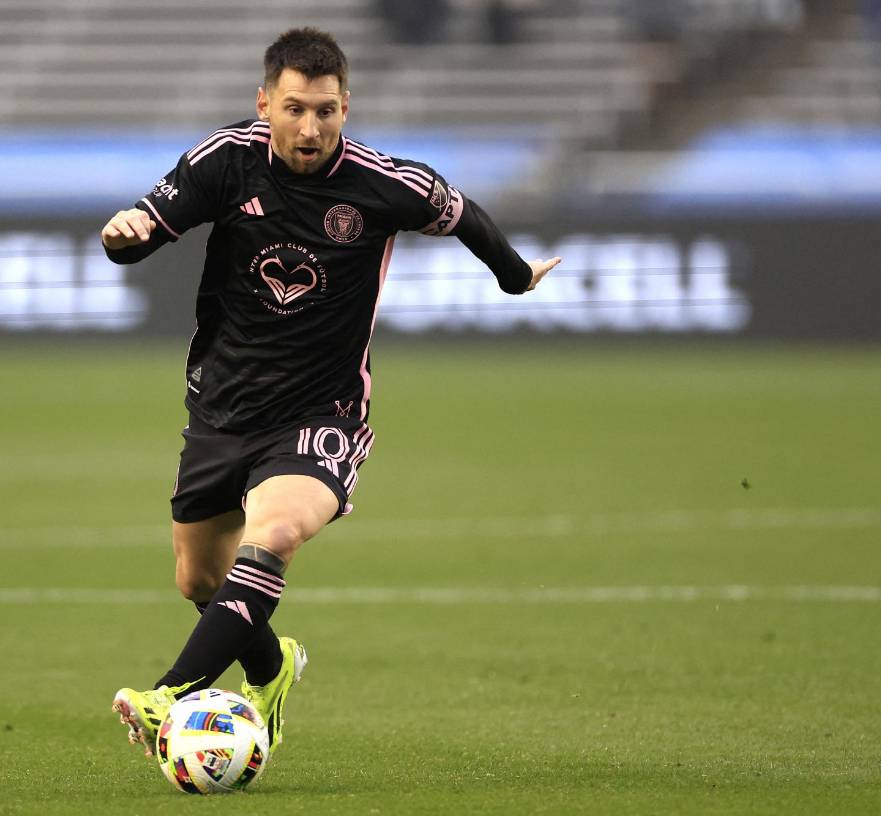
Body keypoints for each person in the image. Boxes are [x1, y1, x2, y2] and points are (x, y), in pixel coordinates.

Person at [102, 27, 559, 762]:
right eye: (293, 109)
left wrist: (513, 275)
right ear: (264, 104)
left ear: (347, 106)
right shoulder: (227, 160)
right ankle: (271, 669)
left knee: (275, 533)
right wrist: (122, 236)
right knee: (200, 579)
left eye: (325, 110)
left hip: (323, 412)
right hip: (221, 408)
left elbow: (462, 212)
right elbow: (147, 227)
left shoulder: (384, 184)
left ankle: (171, 695)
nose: (309, 128)